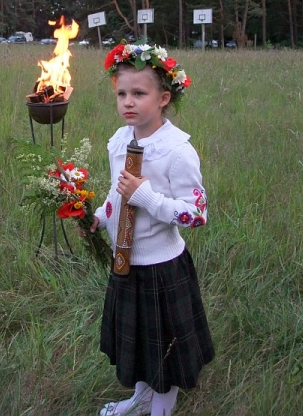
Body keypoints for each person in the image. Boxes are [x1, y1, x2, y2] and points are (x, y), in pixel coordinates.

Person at [90, 41, 215, 416]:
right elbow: (117, 195)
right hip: (126, 263)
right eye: (122, 93)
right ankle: (141, 399)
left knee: (165, 348)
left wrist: (148, 198)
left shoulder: (176, 151)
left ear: (163, 98)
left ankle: (161, 410)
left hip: (162, 268)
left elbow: (197, 213)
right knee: (143, 345)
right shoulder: (119, 140)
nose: (128, 102)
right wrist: (98, 217)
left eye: (139, 93)